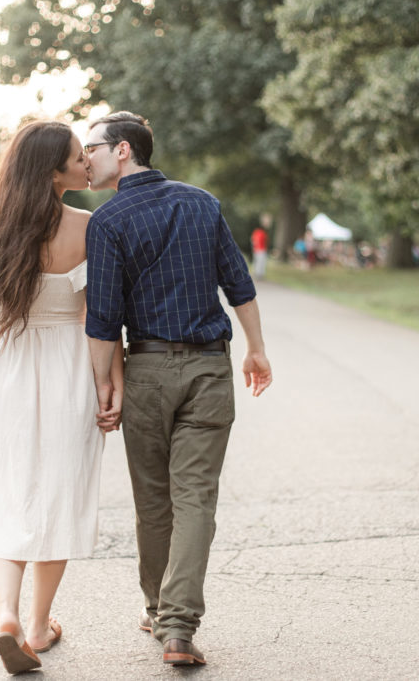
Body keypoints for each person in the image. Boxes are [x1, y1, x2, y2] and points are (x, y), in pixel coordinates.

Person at [82, 111, 273, 667]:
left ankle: (159, 608)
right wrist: (257, 348)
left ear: (122, 151)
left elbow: (103, 319)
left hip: (146, 371)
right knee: (196, 499)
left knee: (154, 500)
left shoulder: (108, 220)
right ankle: (178, 629)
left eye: (91, 147)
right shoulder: (202, 202)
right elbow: (238, 283)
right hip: (210, 370)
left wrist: (104, 385)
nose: (84, 157)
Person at [0, 120, 122, 675]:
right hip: (68, 364)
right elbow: (101, 318)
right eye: (77, 158)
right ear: (53, 173)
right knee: (59, 494)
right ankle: (38, 626)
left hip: (7, 367)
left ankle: (5, 614)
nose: (86, 165)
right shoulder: (87, 227)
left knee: (9, 493)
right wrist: (107, 382)